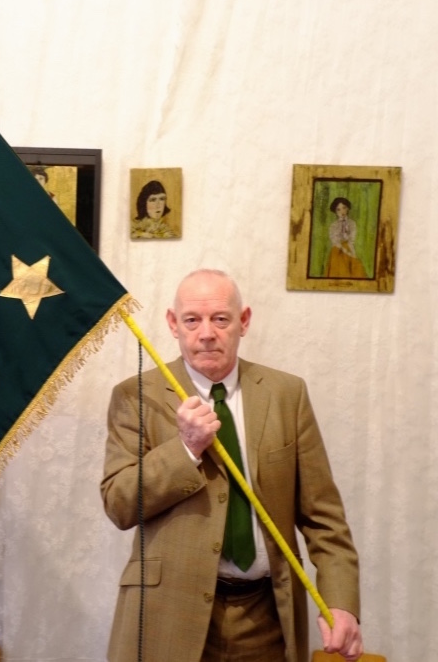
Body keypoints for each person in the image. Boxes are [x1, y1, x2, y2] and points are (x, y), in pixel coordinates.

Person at [101, 269, 362, 662]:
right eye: (192, 320)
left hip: (266, 618)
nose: (206, 333)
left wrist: (341, 603)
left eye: (220, 319)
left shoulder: (286, 394)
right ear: (173, 324)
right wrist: (186, 448)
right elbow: (119, 505)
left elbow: (324, 517)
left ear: (244, 321)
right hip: (167, 617)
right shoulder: (135, 396)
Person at [324, 197, 368, 278]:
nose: (342, 211)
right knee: (339, 267)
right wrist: (343, 249)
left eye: (344, 208)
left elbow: (352, 239)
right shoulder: (333, 225)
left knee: (356, 267)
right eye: (338, 209)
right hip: (337, 250)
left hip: (349, 248)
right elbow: (334, 240)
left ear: (348, 208)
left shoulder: (352, 223)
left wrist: (351, 252)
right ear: (335, 212)